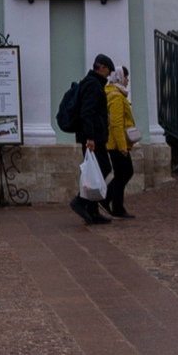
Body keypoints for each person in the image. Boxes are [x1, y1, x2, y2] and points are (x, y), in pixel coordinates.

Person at [62, 53, 114, 227]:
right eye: (108, 71)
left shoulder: (91, 83)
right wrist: (90, 137)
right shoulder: (92, 85)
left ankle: (92, 210)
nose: (109, 75)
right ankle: (81, 201)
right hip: (92, 138)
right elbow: (87, 112)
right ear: (102, 68)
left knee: (98, 171)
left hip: (94, 136)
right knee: (103, 168)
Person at [103, 64, 138, 219]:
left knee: (122, 173)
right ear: (119, 77)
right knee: (125, 172)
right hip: (116, 143)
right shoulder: (116, 97)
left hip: (113, 142)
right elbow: (116, 124)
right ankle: (114, 204)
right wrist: (123, 147)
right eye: (126, 77)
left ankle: (110, 202)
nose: (128, 80)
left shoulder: (112, 93)